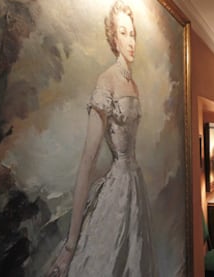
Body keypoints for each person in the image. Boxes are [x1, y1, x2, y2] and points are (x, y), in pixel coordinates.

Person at [47, 1, 157, 276]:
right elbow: (88, 160)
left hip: (135, 185)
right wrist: (70, 245)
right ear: (113, 38)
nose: (131, 40)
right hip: (117, 190)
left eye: (132, 33)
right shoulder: (106, 81)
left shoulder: (133, 84)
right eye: (123, 33)